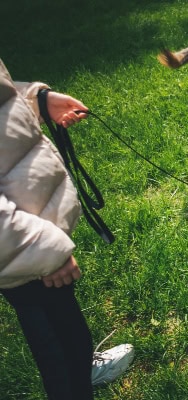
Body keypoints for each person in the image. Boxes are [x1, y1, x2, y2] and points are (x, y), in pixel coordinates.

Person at [0, 58, 134, 399]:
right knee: (58, 340)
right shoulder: (33, 250)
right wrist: (39, 250)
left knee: (61, 322)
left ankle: (79, 369)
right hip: (20, 243)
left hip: (24, 231)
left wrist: (34, 100)